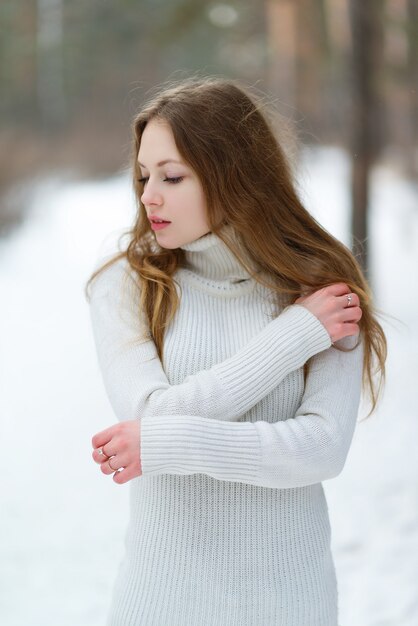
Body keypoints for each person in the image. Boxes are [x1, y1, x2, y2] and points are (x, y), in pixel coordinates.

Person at [85, 77, 386, 626]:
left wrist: (164, 443)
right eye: (144, 175)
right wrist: (292, 336)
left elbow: (320, 449)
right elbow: (148, 420)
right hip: (159, 602)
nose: (149, 195)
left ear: (236, 173)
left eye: (172, 176)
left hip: (290, 605)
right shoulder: (126, 285)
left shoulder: (319, 284)